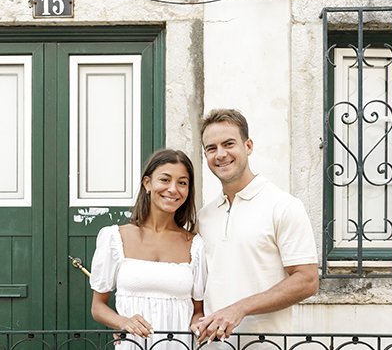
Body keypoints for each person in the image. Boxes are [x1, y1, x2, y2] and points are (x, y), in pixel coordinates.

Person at [190, 109, 319, 343]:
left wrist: (240, 308)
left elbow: (307, 280)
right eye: (211, 148)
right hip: (211, 346)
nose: (220, 154)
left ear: (248, 146)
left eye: (229, 144)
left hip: (267, 345)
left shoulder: (283, 206)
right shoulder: (205, 216)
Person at [89, 149, 206, 350]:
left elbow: (198, 310)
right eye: (165, 180)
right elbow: (98, 307)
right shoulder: (115, 238)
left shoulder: (195, 245)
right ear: (147, 184)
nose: (173, 189)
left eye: (182, 183)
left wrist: (198, 324)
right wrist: (123, 322)